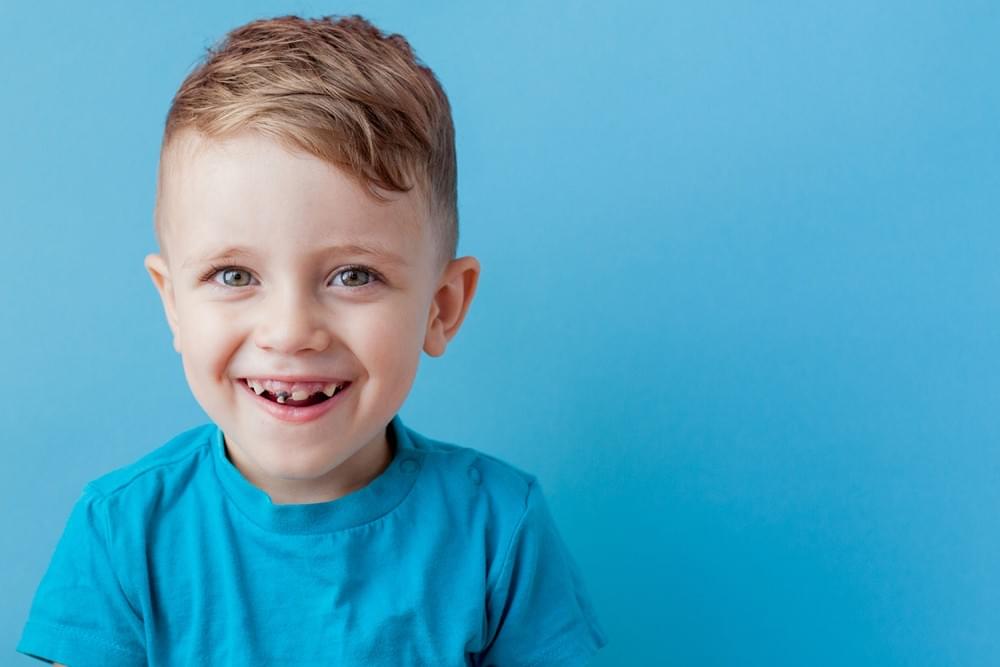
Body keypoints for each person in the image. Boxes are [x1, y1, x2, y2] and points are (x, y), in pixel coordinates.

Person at [16, 13, 607, 667]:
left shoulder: (498, 529)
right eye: (234, 274)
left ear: (441, 306)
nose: (291, 332)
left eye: (353, 275)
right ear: (173, 304)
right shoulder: (121, 535)